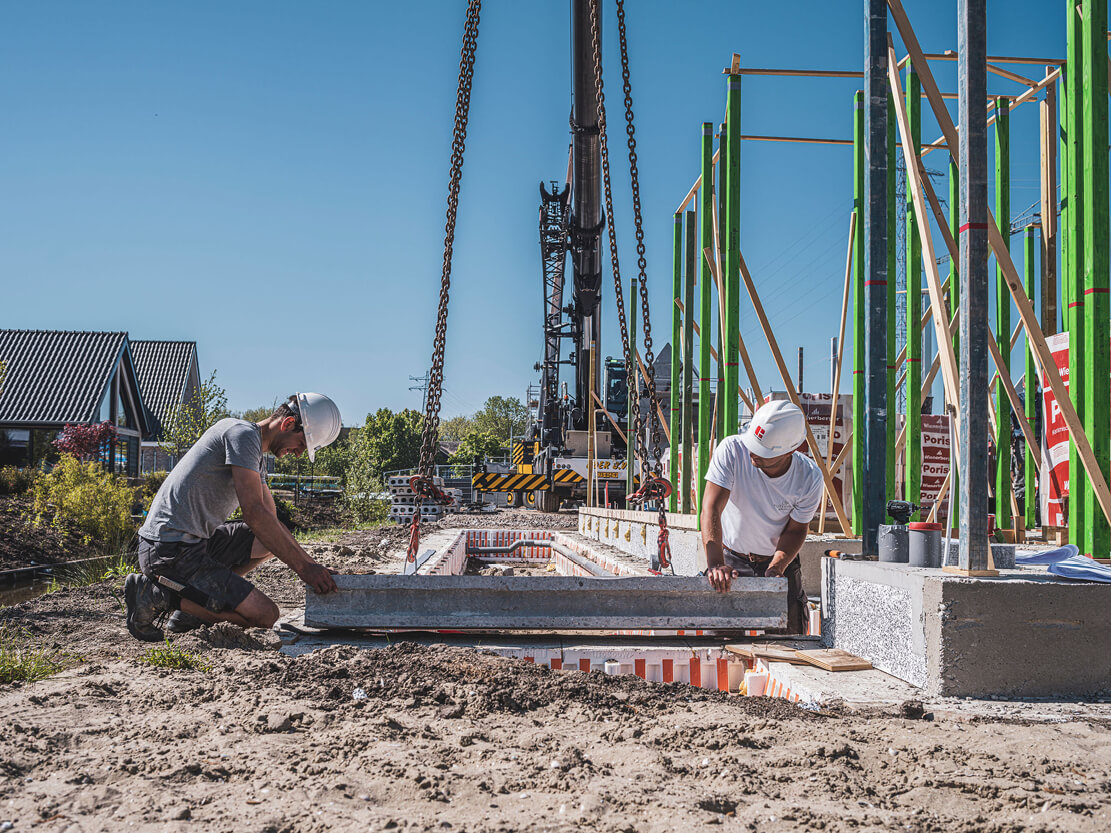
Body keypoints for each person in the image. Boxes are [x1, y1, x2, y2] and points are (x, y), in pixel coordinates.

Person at [124, 393, 343, 642]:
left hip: (194, 544)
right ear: (288, 424)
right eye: (302, 444)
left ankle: (198, 606)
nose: (298, 454)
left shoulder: (252, 449)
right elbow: (255, 515)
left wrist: (313, 566)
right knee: (265, 615)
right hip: (169, 551)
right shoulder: (242, 435)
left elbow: (271, 520)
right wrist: (304, 570)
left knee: (267, 540)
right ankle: (157, 595)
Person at [700, 399, 823, 634]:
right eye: (752, 445)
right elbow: (711, 508)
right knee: (720, 642)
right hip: (731, 560)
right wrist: (716, 564)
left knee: (789, 640)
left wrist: (777, 568)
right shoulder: (732, 451)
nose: (752, 453)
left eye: (762, 452)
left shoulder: (809, 477)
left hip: (778, 562)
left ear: (790, 451)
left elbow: (796, 530)